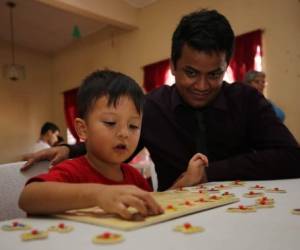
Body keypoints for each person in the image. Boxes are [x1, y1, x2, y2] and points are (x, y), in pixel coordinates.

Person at [22, 9, 300, 191]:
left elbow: (292, 157)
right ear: (173, 66)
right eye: (191, 72)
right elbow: (117, 143)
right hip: (174, 220)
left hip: (247, 209)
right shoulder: (152, 107)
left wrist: (208, 173)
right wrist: (70, 151)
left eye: (214, 74)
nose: (202, 86)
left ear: (226, 67)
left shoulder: (245, 100)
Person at [19, 70, 206, 219]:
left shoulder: (133, 176)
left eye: (133, 126)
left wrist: (184, 183)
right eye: (110, 122)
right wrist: (98, 195)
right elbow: (28, 197)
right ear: (82, 129)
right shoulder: (72, 170)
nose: (124, 133)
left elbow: (153, 205)